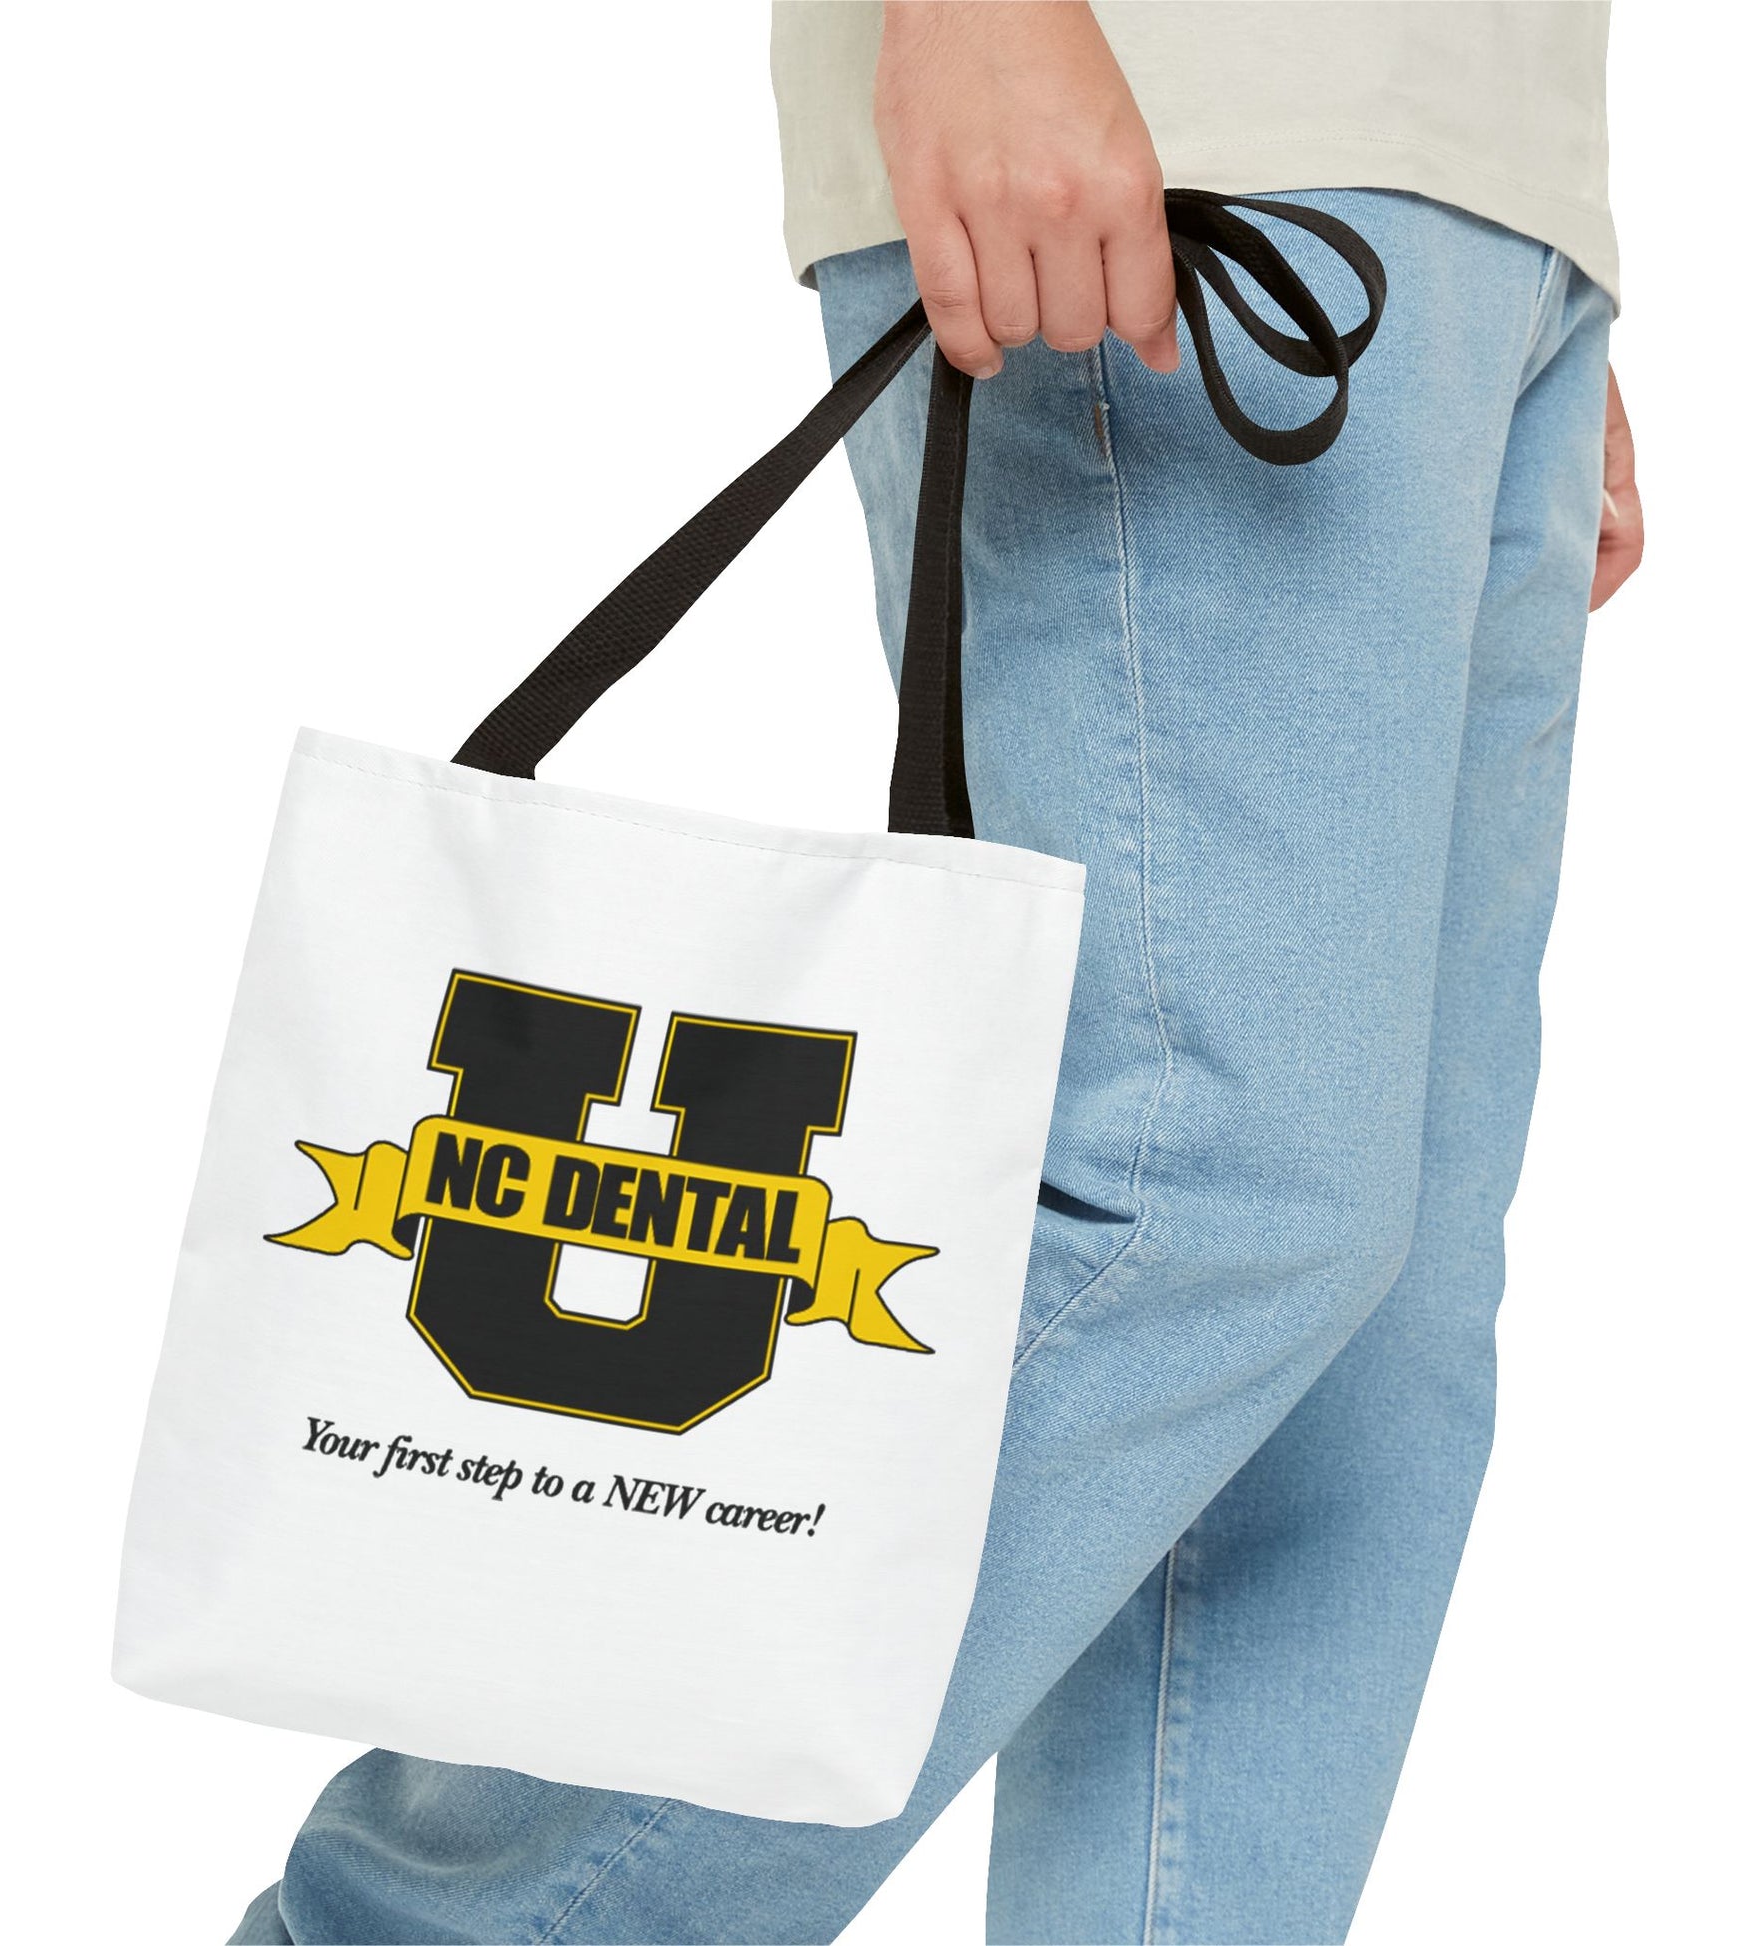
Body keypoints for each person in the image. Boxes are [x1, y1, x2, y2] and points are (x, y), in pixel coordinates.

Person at [230, 4, 1642, 1940]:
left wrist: (1525, 234)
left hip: (1466, 193)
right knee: (1201, 1203)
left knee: (1359, 1355)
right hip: (1189, 118)